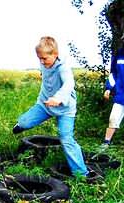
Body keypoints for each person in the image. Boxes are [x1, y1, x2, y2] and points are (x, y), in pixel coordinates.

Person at [13, 36, 91, 178]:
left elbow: (68, 85)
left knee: (66, 138)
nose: (42, 62)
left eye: (44, 59)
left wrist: (58, 98)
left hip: (65, 109)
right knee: (24, 122)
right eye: (39, 58)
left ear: (55, 55)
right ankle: (21, 124)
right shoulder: (44, 63)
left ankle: (81, 174)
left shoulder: (63, 68)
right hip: (45, 105)